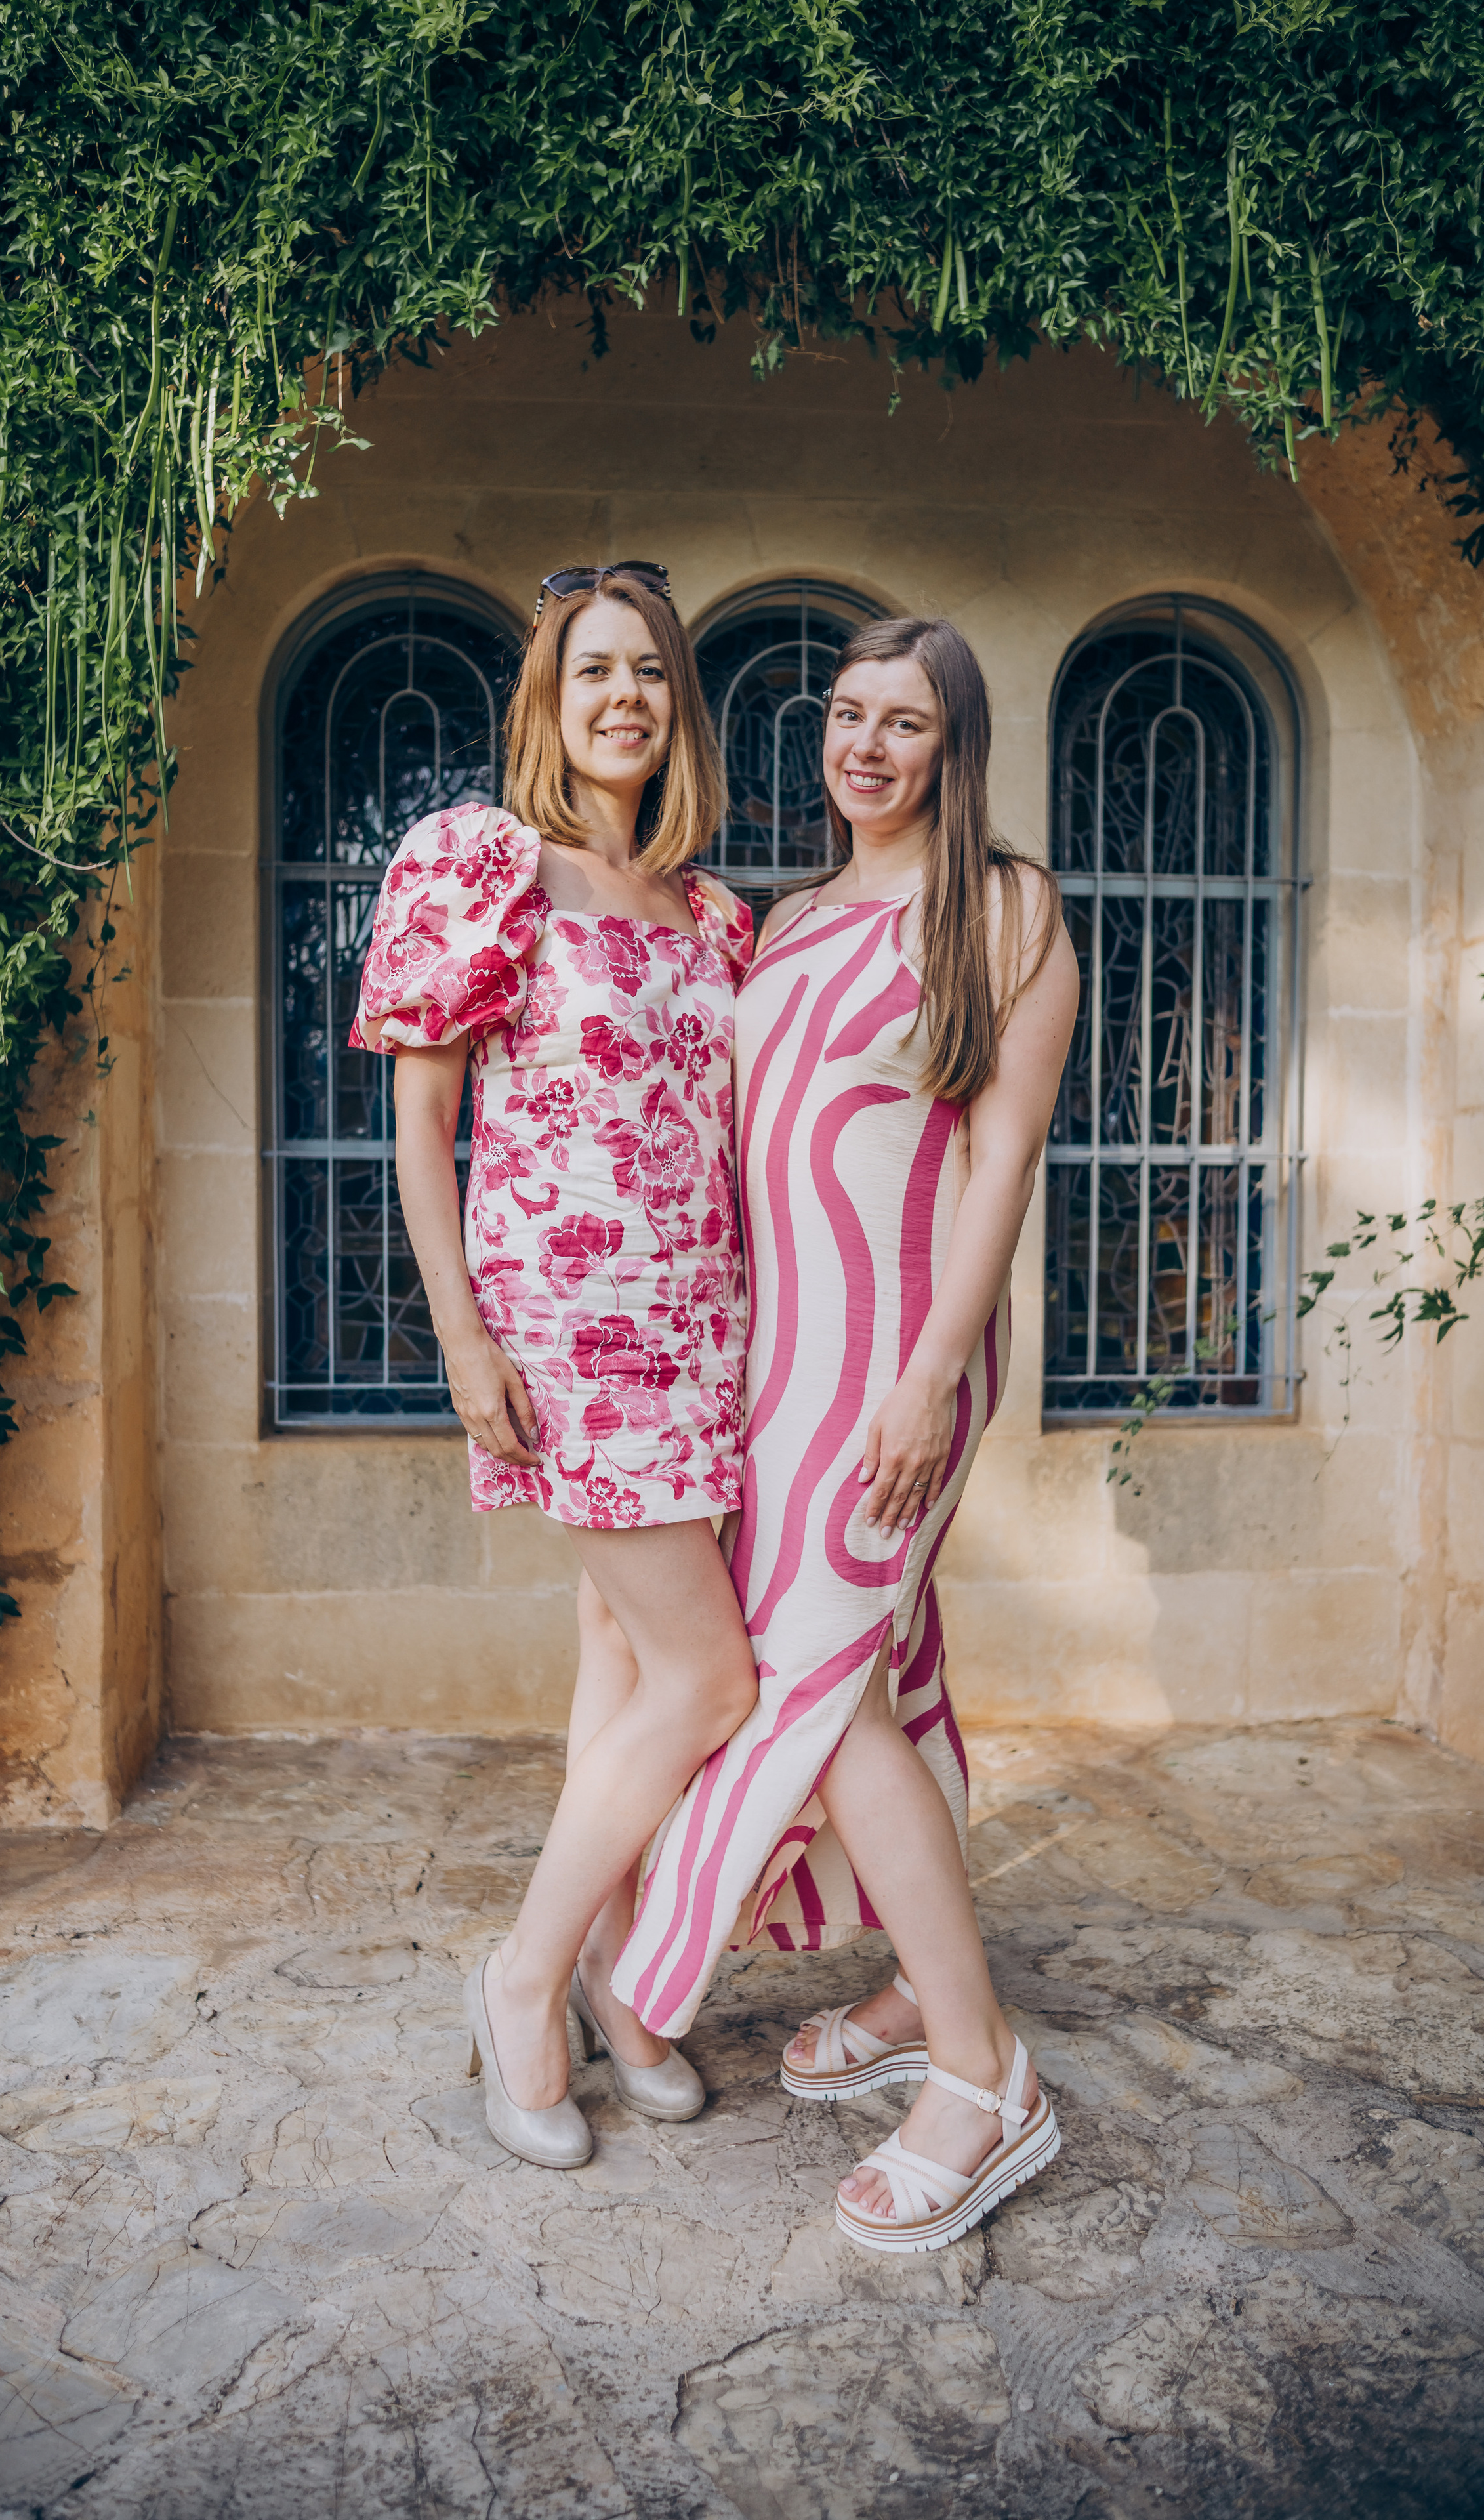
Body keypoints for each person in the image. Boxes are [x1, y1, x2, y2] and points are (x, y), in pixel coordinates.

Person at [611, 615, 1079, 2252]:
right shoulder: (791, 914)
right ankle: (910, 1986)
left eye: (904, 723)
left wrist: (924, 1376)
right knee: (879, 1672)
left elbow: (999, 1167)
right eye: (844, 715)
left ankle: (980, 2073)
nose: (864, 747)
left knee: (820, 1678)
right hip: (769, 1363)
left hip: (894, 1359)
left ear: (953, 749)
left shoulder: (1006, 909)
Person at [354, 562, 758, 2169]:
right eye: (592, 671)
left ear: (677, 705)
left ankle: (614, 1972)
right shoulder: (480, 863)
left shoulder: (711, 909)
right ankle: (522, 1981)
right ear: (546, 699)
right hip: (565, 1334)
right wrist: (459, 1333)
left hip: (705, 1332)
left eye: (648, 673)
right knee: (710, 1679)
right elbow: (422, 1122)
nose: (622, 699)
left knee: (623, 1668)